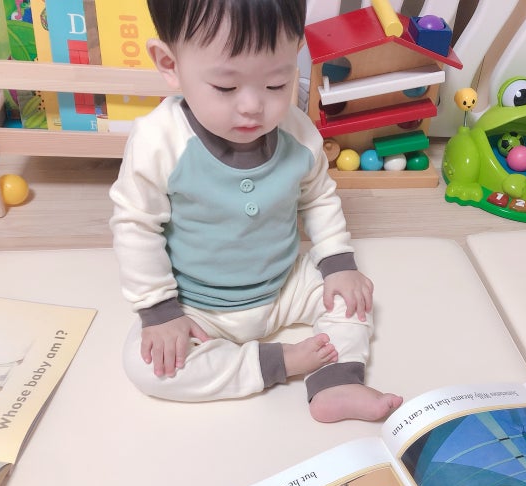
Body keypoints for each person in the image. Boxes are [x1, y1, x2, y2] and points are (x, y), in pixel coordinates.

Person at [109, 0, 403, 422]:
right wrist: (160, 313)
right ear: (170, 64)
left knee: (354, 299)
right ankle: (274, 363)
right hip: (198, 304)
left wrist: (339, 264)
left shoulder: (297, 132)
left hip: (285, 285)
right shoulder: (159, 141)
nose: (252, 106)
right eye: (225, 87)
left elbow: (318, 196)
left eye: (276, 83)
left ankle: (337, 381)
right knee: (146, 367)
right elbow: (135, 226)